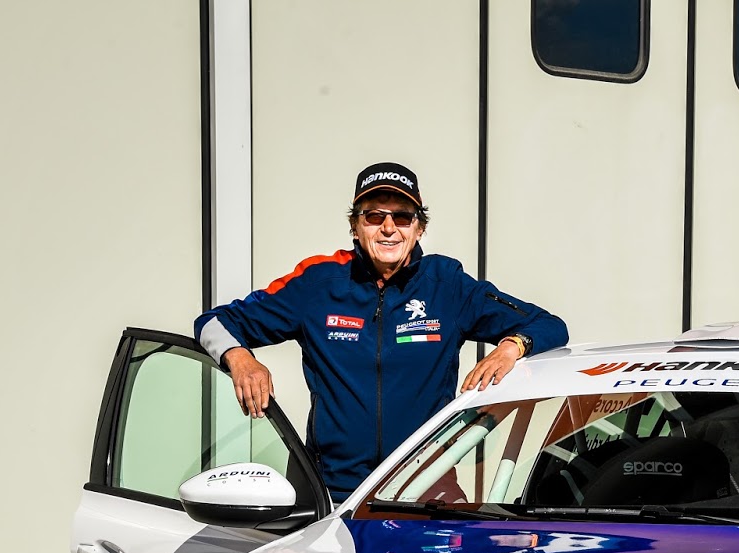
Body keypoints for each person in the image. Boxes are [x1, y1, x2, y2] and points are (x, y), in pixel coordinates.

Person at [195, 161, 568, 503]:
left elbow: (550, 325)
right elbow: (213, 322)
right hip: (332, 495)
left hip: (425, 491)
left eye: (402, 217)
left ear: (419, 228)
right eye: (374, 216)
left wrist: (511, 346)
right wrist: (240, 358)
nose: (389, 228)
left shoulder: (447, 285)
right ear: (355, 226)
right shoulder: (318, 283)